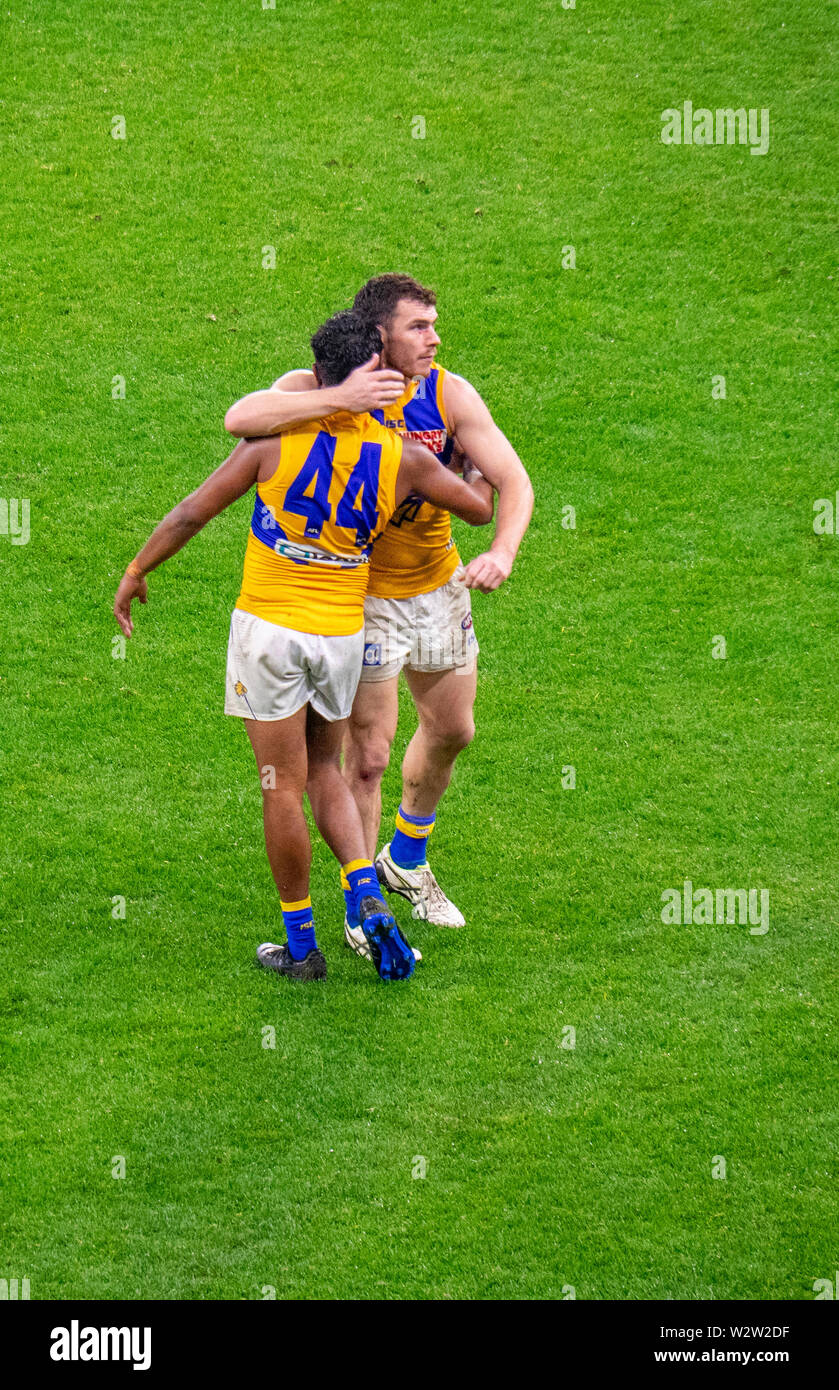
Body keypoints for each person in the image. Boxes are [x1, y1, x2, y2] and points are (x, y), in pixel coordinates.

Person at [113, 311, 493, 983]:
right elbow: (474, 509)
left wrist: (138, 571)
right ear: (376, 375)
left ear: (320, 376)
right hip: (342, 634)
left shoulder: (275, 438)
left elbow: (192, 512)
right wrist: (475, 475)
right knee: (324, 769)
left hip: (270, 630)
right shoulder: (402, 457)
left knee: (279, 788)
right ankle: (363, 887)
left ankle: (300, 947)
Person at [224, 274, 533, 948]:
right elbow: (242, 421)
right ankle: (363, 912)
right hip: (356, 601)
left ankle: (406, 859)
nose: (434, 338)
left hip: (436, 588)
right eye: (418, 326)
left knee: (453, 731)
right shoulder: (312, 389)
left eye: (434, 324)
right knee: (364, 758)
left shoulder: (449, 394)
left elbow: (510, 481)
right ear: (379, 335)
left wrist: (501, 554)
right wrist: (342, 397)